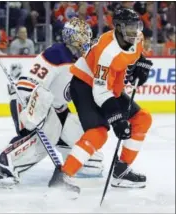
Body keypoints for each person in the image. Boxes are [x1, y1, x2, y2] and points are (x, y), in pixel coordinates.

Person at [0, 18, 103, 193]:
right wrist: (34, 111)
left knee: (84, 145)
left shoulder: (78, 61)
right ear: (73, 37)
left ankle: (77, 165)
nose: (87, 42)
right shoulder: (58, 53)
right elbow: (29, 85)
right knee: (47, 135)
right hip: (30, 102)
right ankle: (3, 167)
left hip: (55, 108)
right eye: (84, 37)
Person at [48, 9, 153, 193]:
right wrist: (117, 119)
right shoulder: (107, 51)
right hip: (85, 85)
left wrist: (140, 65)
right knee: (98, 133)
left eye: (136, 27)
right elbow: (100, 91)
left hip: (109, 86)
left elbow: (135, 55)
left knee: (142, 119)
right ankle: (63, 176)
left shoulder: (137, 37)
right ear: (118, 28)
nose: (134, 32)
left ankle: (121, 172)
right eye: (129, 28)